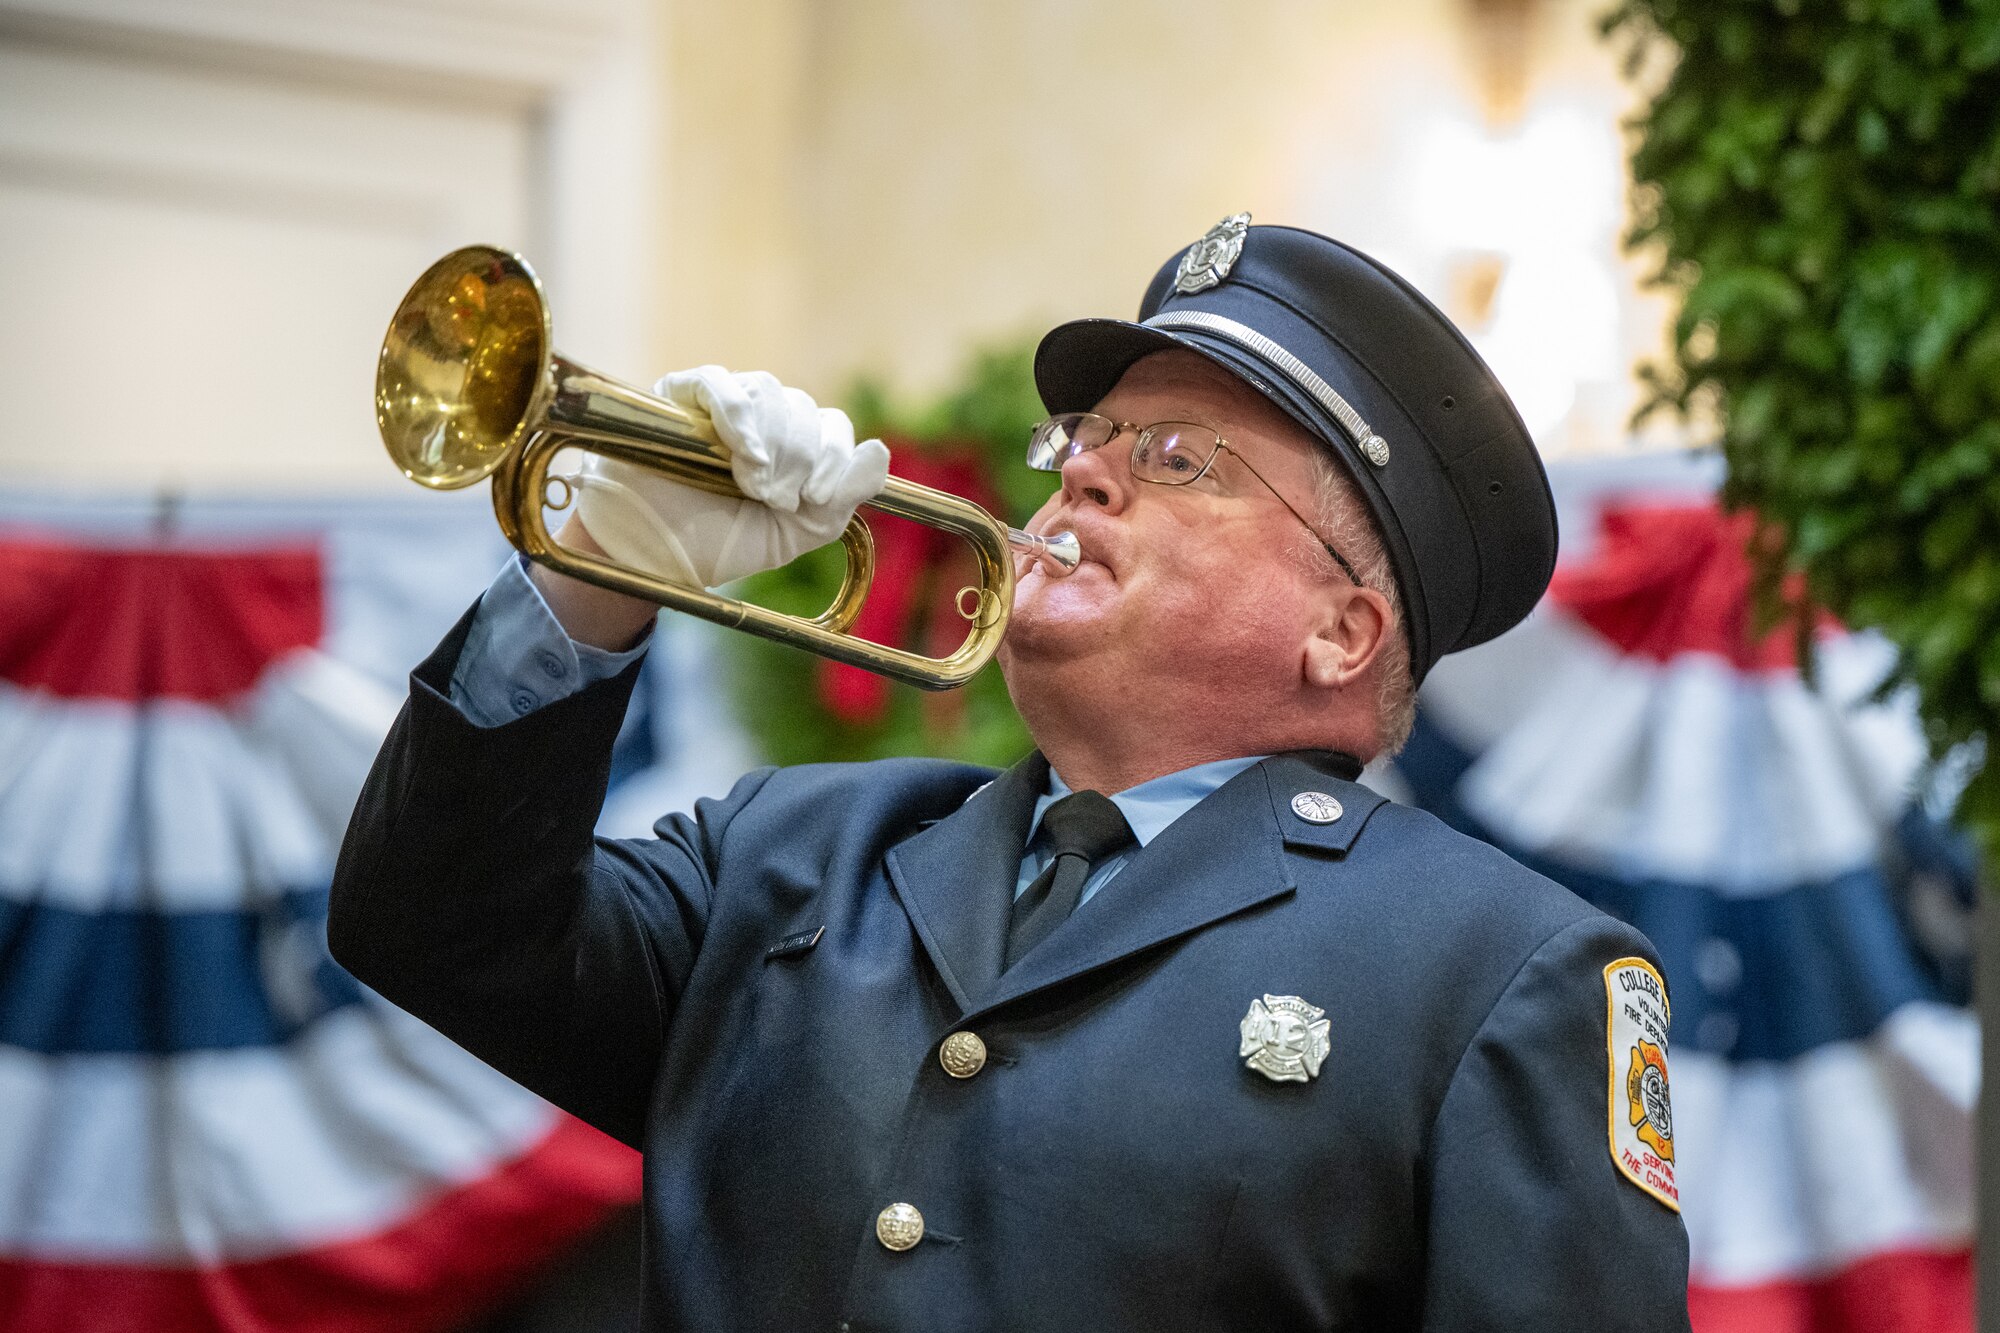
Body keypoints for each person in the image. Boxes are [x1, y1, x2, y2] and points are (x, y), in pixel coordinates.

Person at [330, 216, 1691, 1332]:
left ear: (1343, 631)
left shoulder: (1502, 973)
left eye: (1175, 459)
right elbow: (428, 922)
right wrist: (592, 573)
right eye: (1086, 441)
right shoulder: (791, 849)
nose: (1084, 476)